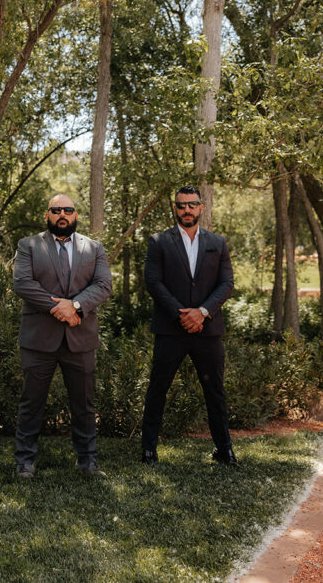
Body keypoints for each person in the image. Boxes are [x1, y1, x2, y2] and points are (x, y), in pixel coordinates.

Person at [12, 194, 112, 479]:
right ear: (47, 215)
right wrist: (59, 307)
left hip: (80, 338)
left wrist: (76, 306)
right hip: (38, 339)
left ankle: (87, 462)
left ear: (76, 214)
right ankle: (25, 463)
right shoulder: (29, 245)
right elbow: (23, 283)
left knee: (84, 403)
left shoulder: (94, 248)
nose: (62, 214)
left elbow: (104, 285)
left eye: (68, 209)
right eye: (56, 210)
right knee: (32, 402)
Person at [140, 185, 237, 466]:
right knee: (157, 389)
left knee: (215, 392)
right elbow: (153, 282)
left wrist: (203, 312)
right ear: (175, 208)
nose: (187, 210)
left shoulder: (218, 243)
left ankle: (225, 451)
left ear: (201, 208)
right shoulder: (158, 241)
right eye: (181, 205)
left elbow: (227, 283)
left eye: (192, 205)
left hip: (208, 331)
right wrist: (182, 314)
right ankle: (148, 451)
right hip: (171, 329)